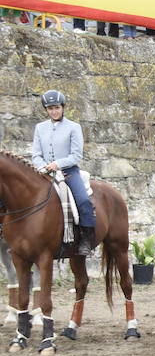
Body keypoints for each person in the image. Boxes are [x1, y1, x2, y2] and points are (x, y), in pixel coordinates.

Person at [30, 90, 96, 257]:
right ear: (46, 110)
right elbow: (36, 154)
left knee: (83, 201)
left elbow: (76, 155)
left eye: (57, 108)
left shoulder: (74, 127)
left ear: (63, 107)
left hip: (68, 171)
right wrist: (43, 166)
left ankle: (86, 240)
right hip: (44, 172)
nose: (54, 111)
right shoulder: (40, 128)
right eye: (50, 108)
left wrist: (57, 164)